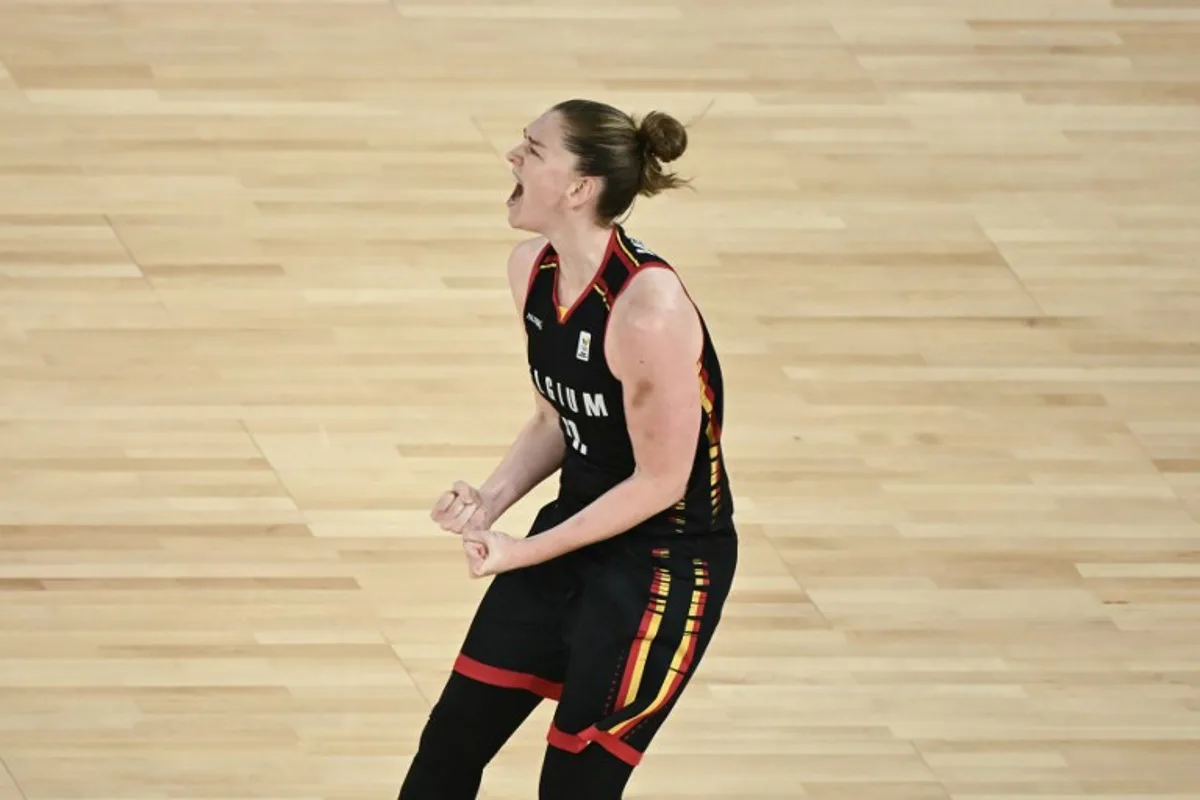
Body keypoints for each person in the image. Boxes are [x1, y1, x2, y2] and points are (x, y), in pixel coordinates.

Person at [397, 98, 738, 800]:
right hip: (575, 527)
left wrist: (521, 551)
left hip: (665, 564)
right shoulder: (534, 270)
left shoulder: (648, 311)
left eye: (533, 149)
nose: (512, 158)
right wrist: (489, 500)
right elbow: (559, 417)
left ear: (579, 188)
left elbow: (660, 482)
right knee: (448, 747)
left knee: (573, 788)